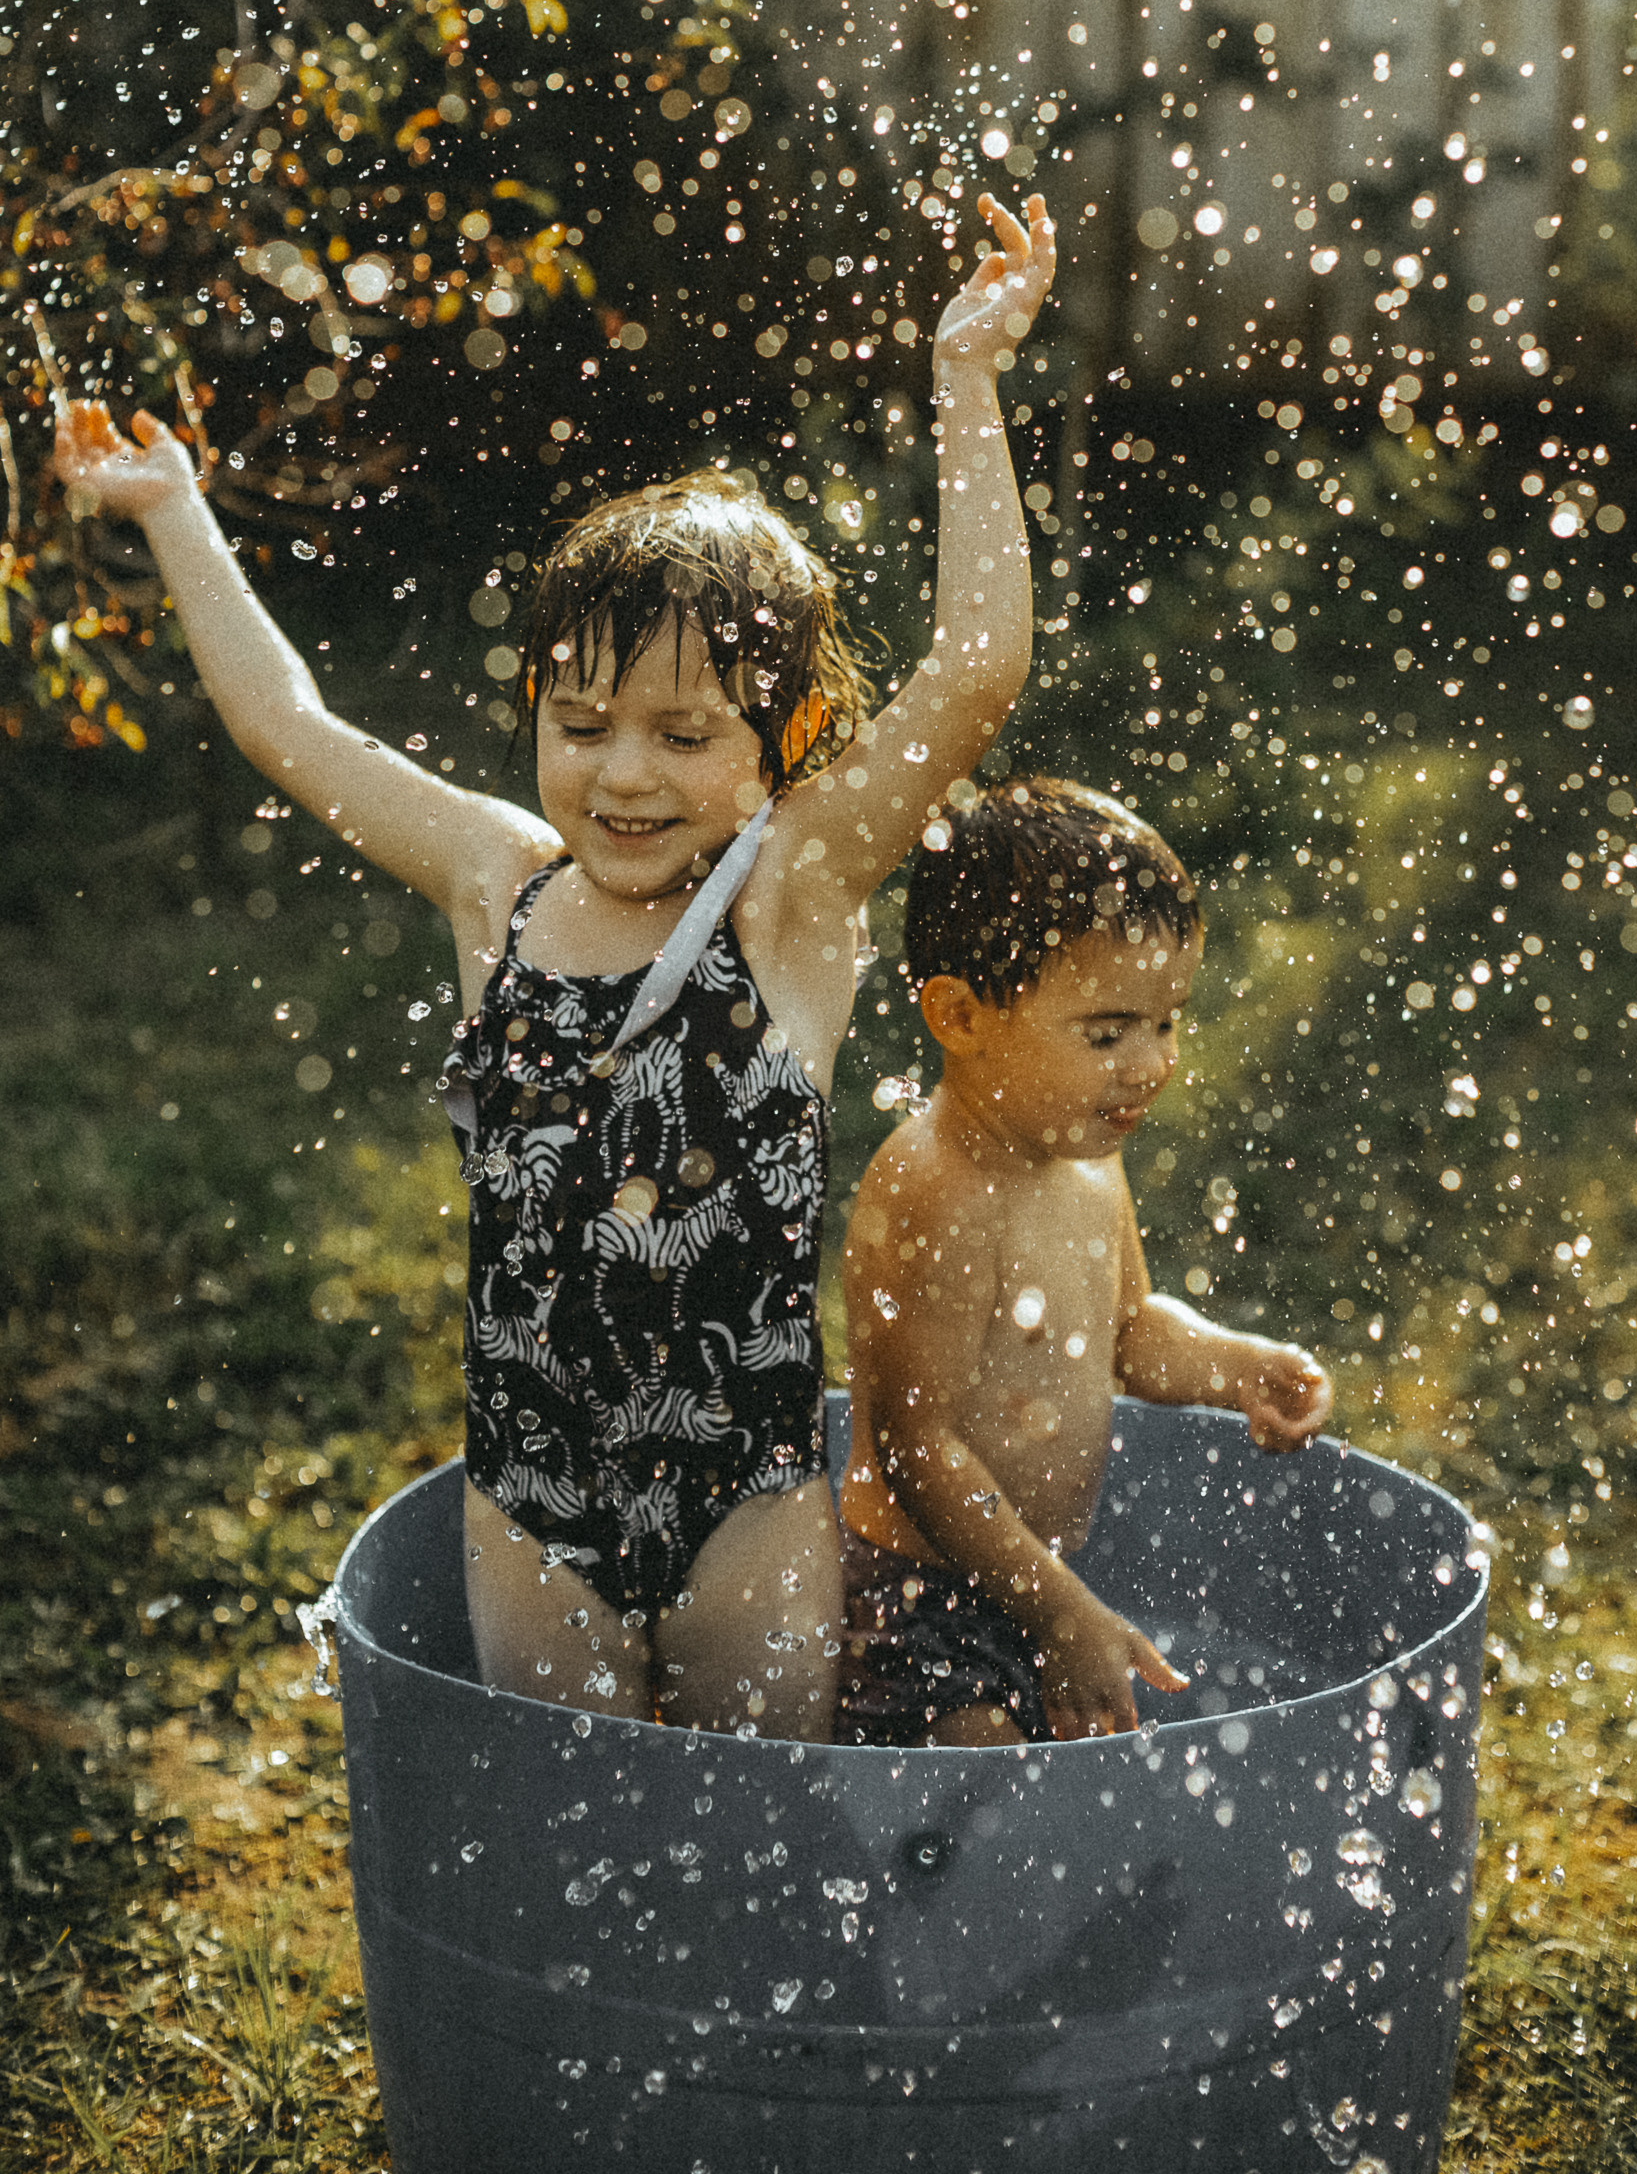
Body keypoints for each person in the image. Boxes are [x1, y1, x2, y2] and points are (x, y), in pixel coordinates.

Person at [54, 189, 1056, 1742]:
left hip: (747, 1496)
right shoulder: (499, 886)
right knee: (567, 1829)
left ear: (783, 742)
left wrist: (968, 384)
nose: (621, 777)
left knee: (749, 1839)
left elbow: (977, 670)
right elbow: (292, 730)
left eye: (683, 733)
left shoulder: (787, 903)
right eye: (579, 726)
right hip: (530, 1486)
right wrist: (176, 508)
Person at [837, 776, 1332, 1746]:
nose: (1149, 1064)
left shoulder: (1087, 1161)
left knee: (1064, 1796)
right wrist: (1057, 1611)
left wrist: (1237, 1366)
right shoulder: (934, 1187)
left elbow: (1129, 1334)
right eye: (1106, 1032)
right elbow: (914, 1446)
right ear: (960, 1017)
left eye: (1166, 1020)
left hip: (1038, 1576)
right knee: (971, 1772)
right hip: (915, 1594)